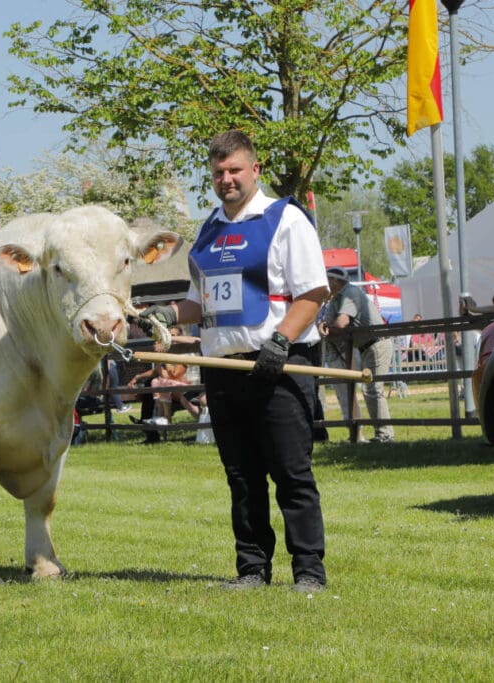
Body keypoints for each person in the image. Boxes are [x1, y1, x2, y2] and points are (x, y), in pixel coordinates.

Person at [139, 130, 329, 593]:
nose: (227, 179)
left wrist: (281, 342)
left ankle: (308, 572)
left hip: (281, 367)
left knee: (291, 473)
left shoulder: (286, 219)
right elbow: (197, 301)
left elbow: (314, 293)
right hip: (223, 371)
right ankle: (251, 571)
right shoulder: (208, 230)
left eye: (235, 170)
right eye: (219, 171)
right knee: (242, 477)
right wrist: (167, 313)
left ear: (254, 170)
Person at [318, 267, 394, 443]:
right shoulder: (338, 296)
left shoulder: (349, 292)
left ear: (335, 281)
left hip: (376, 343)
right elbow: (329, 322)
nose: (325, 284)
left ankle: (385, 435)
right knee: (369, 389)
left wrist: (326, 328)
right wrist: (326, 325)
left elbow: (341, 323)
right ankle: (380, 434)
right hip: (367, 346)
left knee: (373, 389)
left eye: (327, 280)